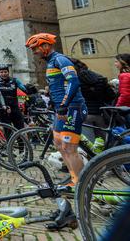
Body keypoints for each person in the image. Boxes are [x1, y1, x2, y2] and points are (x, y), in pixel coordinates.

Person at [26, 33, 87, 186]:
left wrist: (64, 105)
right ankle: (75, 178)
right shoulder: (50, 63)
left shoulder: (60, 59)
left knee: (69, 147)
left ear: (45, 46)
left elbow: (74, 82)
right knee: (59, 144)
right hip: (61, 108)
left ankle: (82, 183)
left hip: (72, 107)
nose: (34, 52)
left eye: (35, 48)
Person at [0, 64, 26, 129]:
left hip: (14, 107)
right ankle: (9, 139)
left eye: (5, 72)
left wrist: (28, 89)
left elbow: (24, 89)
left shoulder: (14, 80)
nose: (4, 74)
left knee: (20, 127)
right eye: (1, 72)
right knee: (7, 129)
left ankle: (21, 139)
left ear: (8, 72)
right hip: (2, 108)